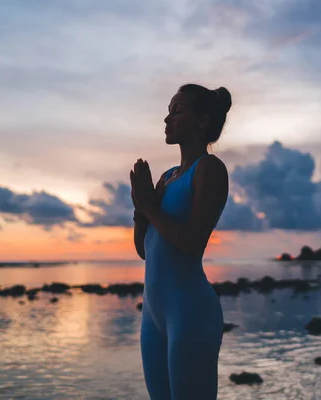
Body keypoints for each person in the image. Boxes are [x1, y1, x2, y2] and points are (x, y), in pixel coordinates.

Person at [129, 83, 232, 400]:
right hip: (154, 315)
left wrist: (148, 207)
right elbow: (144, 250)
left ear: (202, 121)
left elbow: (190, 241)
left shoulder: (209, 169)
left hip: (190, 311)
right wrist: (140, 207)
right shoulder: (167, 176)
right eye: (168, 111)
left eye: (178, 111)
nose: (167, 118)